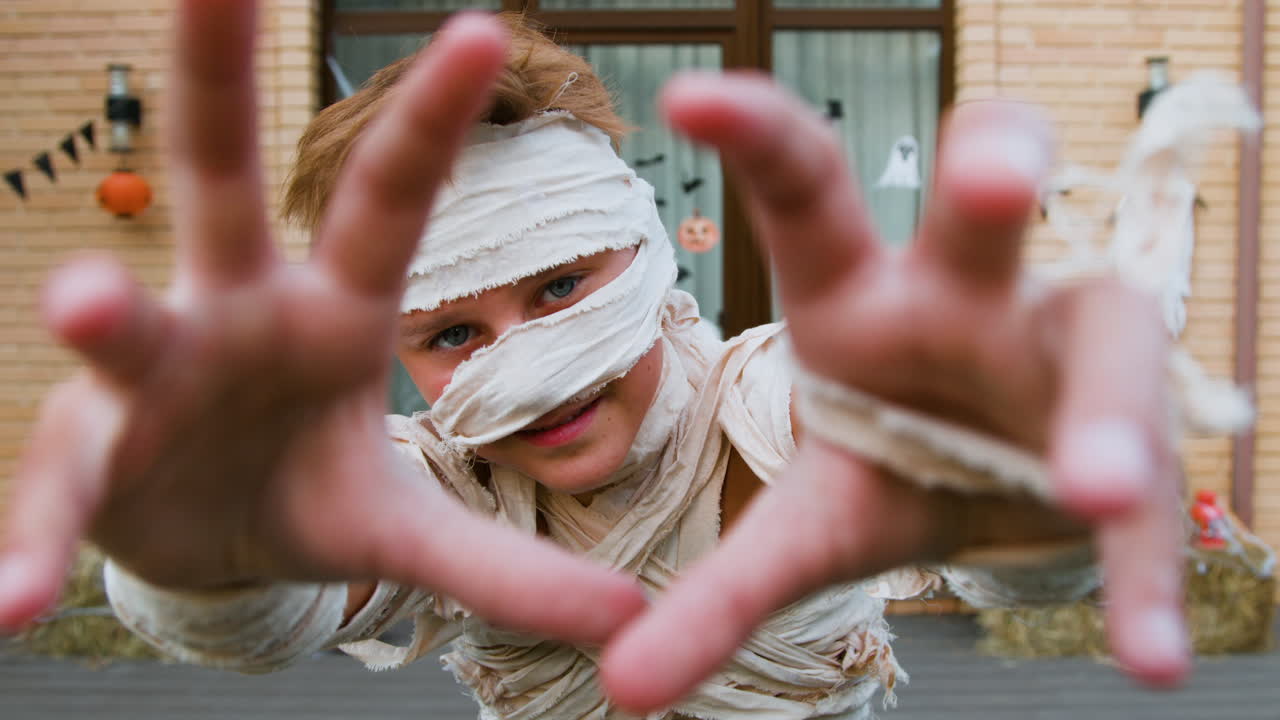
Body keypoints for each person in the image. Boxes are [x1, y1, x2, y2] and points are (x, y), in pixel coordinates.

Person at [1, 3, 1215, 718]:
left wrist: (1012, 461)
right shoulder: (432, 487)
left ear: (647, 258)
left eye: (563, 288)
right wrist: (209, 544)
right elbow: (292, 588)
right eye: (452, 335)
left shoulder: (777, 403)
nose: (527, 366)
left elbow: (896, 448)